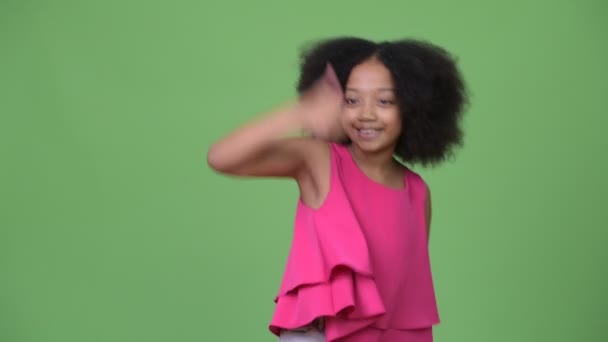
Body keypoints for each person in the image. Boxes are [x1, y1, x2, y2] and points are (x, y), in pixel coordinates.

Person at [207, 37, 468, 342]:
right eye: (351, 99)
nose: (365, 114)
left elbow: (407, 292)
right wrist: (300, 112)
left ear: (413, 107)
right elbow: (221, 157)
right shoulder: (320, 161)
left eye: (384, 101)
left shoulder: (416, 191)